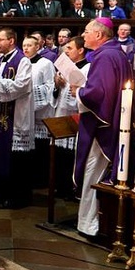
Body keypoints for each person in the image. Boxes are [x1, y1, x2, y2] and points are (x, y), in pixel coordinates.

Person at [70, 17, 133, 237]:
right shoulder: (116, 54)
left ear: (99, 35)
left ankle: (90, 225)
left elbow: (97, 94)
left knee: (92, 172)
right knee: (96, 172)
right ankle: (94, 223)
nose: (84, 35)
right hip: (114, 121)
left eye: (87, 32)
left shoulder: (105, 56)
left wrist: (77, 91)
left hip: (101, 125)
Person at [0, 27, 35, 209]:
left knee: (15, 159)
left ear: (11, 41)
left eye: (1, 40)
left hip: (16, 117)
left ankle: (16, 197)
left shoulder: (23, 61)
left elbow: (21, 87)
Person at [52, 36, 90, 198]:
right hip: (61, 114)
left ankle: (70, 188)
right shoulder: (65, 67)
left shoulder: (87, 68)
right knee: (59, 154)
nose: (65, 51)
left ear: (80, 51)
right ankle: (59, 186)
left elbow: (84, 94)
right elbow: (55, 95)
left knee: (70, 156)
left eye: (69, 49)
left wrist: (70, 87)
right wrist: (56, 85)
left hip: (76, 116)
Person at [22, 35, 55, 189]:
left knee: (41, 149)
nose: (26, 48)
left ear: (37, 47)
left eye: (29, 45)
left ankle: (41, 180)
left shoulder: (45, 63)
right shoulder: (22, 62)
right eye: (24, 45)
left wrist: (29, 95)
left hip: (40, 112)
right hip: (24, 113)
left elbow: (49, 87)